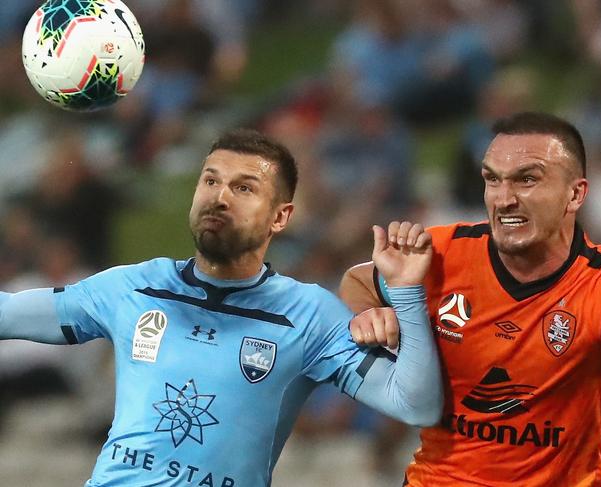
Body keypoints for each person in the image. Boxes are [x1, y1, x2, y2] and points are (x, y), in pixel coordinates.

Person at [0, 129, 443, 486]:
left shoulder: (308, 315)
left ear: (280, 217)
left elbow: (416, 405)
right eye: (210, 180)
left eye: (243, 187)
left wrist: (405, 293)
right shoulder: (134, 287)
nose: (219, 197)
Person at [339, 111, 601, 486]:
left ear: (575, 193)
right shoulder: (442, 252)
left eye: (527, 180)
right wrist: (371, 312)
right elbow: (356, 280)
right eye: (492, 180)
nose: (504, 199)